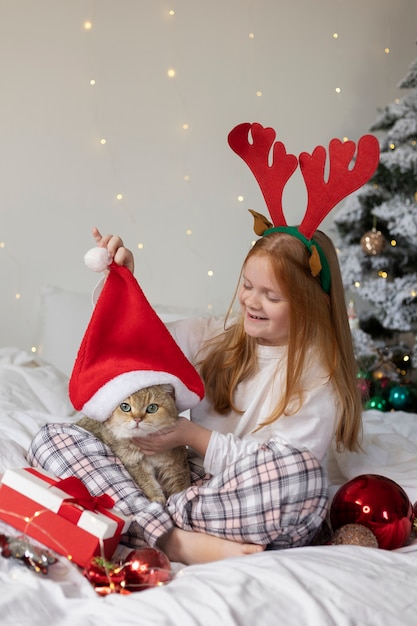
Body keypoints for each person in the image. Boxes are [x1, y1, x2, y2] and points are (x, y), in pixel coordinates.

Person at [27, 224, 362, 565]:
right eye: (247, 285)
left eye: (272, 296)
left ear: (313, 304)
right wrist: (122, 284)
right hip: (180, 482)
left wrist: (191, 435)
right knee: (52, 439)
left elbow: (278, 465)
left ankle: (141, 522)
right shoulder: (213, 336)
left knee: (304, 478)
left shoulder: (319, 380)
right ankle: (172, 539)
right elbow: (133, 345)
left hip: (242, 498)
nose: (251, 301)